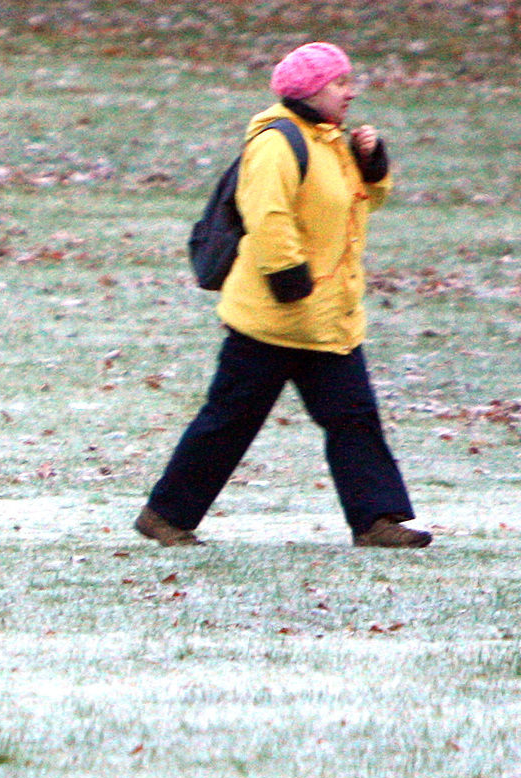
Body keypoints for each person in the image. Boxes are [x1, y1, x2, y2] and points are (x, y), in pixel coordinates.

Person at [136, 41, 430, 550]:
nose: (350, 92)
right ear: (311, 91)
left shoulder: (331, 141)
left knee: (354, 417)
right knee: (230, 419)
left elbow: (360, 203)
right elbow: (266, 215)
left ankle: (378, 521)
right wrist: (288, 276)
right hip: (272, 316)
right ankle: (164, 515)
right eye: (339, 83)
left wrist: (373, 166)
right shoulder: (278, 142)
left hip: (326, 319)